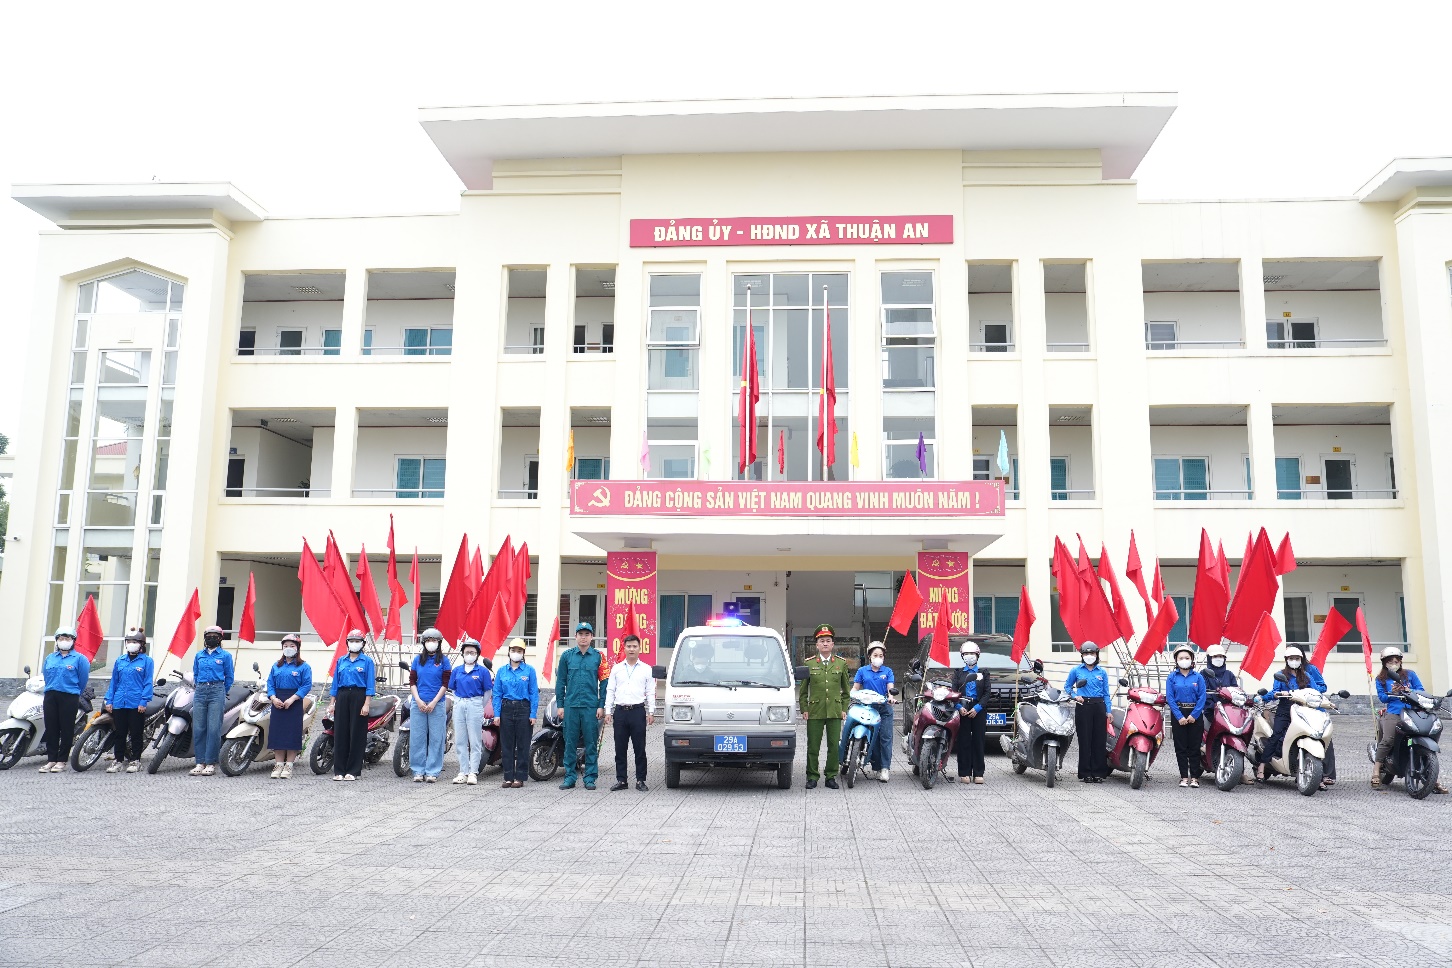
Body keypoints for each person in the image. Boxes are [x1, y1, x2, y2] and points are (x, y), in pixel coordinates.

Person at [1372, 646, 1448, 793]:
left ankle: (1432, 777)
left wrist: (1408, 690)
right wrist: (1392, 692)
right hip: (1394, 712)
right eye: (1390, 661)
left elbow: (1421, 690)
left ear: (1401, 661)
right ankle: (1376, 770)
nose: (1394, 663)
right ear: (1384, 663)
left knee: (1427, 734)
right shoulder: (1381, 679)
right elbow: (1382, 697)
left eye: (1396, 661)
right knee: (1388, 739)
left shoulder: (1410, 675)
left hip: (1413, 711)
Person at [1256, 646, 1327, 787]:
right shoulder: (1280, 675)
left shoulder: (1306, 676)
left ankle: (1316, 775)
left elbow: (1316, 691)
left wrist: (1325, 701)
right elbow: (1275, 691)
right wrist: (1268, 696)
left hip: (1303, 710)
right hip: (1285, 709)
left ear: (1301, 660)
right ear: (1286, 660)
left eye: (1297, 658)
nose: (1294, 661)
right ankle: (1262, 766)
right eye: (1291, 658)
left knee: (1311, 734)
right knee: (1276, 734)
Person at [798, 623, 851, 790]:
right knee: (813, 746)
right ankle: (812, 776)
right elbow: (803, 690)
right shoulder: (809, 664)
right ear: (817, 645)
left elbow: (846, 691)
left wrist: (844, 708)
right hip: (815, 711)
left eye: (828, 641)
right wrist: (804, 708)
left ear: (833, 644)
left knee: (834, 746)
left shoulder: (841, 664)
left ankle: (831, 776)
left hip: (835, 710)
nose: (825, 644)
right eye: (822, 641)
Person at [555, 622, 605, 790]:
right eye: (580, 634)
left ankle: (590, 777)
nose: (583, 637)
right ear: (575, 637)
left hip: (590, 707)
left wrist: (601, 705)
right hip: (571, 706)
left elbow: (604, 683)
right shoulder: (567, 656)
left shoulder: (598, 657)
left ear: (592, 637)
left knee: (591, 743)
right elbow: (561, 682)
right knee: (570, 742)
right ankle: (570, 777)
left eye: (587, 634)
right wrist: (560, 705)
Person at [605, 633, 655, 792]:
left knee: (639, 748)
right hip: (620, 712)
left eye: (634, 646)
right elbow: (610, 690)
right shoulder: (616, 669)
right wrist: (608, 711)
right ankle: (621, 780)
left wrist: (651, 711)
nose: (631, 649)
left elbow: (650, 692)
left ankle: (641, 780)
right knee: (620, 748)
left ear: (640, 648)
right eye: (629, 646)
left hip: (637, 712)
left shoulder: (646, 669)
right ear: (624, 648)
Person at [841, 641, 896, 782]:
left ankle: (885, 768)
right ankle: (876, 767)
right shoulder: (862, 671)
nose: (878, 658)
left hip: (884, 708)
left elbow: (890, 688)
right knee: (872, 738)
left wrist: (891, 697)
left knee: (885, 738)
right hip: (867, 708)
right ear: (870, 656)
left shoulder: (888, 671)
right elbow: (856, 687)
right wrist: (850, 694)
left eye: (881, 655)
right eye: (875, 655)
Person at [39, 627, 91, 773]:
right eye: (61, 638)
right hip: (50, 696)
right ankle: (51, 759)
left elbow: (82, 680)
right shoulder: (50, 658)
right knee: (51, 728)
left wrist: (73, 692)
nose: (64, 641)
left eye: (67, 638)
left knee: (66, 728)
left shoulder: (80, 659)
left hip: (69, 696)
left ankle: (61, 760)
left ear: (73, 640)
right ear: (57, 640)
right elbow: (46, 675)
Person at [103, 629, 154, 774]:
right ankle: (118, 760)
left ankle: (135, 760)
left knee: (136, 733)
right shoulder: (120, 660)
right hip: (119, 701)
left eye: (135, 642)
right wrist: (109, 700)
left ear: (141, 644)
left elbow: (148, 682)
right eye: (129, 641)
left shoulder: (147, 661)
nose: (131, 644)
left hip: (136, 703)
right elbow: (114, 682)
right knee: (119, 733)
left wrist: (143, 701)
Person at [328, 630, 375, 781]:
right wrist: (332, 704)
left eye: (357, 641)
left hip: (359, 696)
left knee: (357, 733)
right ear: (347, 643)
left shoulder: (367, 661)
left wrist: (366, 704)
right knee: (340, 733)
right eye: (351, 641)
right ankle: (339, 770)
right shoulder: (341, 660)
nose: (354, 643)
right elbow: (335, 684)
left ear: (362, 644)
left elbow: (370, 685)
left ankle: (353, 771)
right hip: (342, 696)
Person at [492, 637, 539, 788]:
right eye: (513, 650)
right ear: (509, 652)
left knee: (523, 744)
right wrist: (497, 714)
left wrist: (533, 714)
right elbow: (497, 693)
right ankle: (508, 777)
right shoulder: (502, 671)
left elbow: (534, 693)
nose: (516, 653)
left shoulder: (529, 670)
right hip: (506, 709)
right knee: (507, 744)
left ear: (523, 653)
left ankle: (520, 777)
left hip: (523, 709)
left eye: (519, 651)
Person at [189, 625, 234, 777]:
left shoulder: (225, 656)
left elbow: (229, 677)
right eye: (208, 636)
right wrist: (200, 687)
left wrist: (222, 690)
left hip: (217, 690)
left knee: (214, 728)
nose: (211, 638)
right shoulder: (199, 655)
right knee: (199, 728)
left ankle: (210, 762)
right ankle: (199, 762)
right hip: (200, 691)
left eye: (215, 636)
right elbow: (196, 674)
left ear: (220, 638)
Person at [408, 628, 452, 783]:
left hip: (437, 704)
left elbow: (445, 684)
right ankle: (418, 771)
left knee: (436, 738)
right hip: (418, 703)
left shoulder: (444, 661)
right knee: (417, 738)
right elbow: (412, 681)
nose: (431, 643)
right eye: (428, 641)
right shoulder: (417, 660)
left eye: (434, 641)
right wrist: (418, 700)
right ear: (423, 643)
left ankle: (432, 771)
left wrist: (434, 702)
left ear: (439, 643)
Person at [266, 633, 312, 779]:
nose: (288, 648)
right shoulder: (276, 665)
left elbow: (306, 685)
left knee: (292, 733)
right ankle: (279, 764)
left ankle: (289, 765)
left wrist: (292, 699)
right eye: (285, 646)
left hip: (294, 701)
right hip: (277, 700)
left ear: (298, 648)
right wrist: (273, 698)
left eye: (292, 645)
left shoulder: (304, 666)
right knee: (277, 733)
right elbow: (270, 683)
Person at [1064, 641, 1111, 783]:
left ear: (1096, 654)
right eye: (1086, 653)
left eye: (1092, 653)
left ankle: (1098, 772)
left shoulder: (1102, 672)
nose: (1089, 656)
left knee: (1099, 740)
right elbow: (1067, 687)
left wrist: (1108, 711)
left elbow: (1106, 693)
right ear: (1082, 655)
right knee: (1085, 740)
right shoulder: (1076, 670)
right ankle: (1085, 773)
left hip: (1099, 706)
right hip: (1083, 706)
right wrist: (1074, 696)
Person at [450, 637, 493, 785]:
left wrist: (478, 705)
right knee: (460, 740)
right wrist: (459, 702)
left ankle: (473, 772)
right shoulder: (457, 670)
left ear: (477, 654)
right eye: (467, 652)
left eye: (473, 652)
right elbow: (453, 689)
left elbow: (487, 692)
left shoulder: (482, 671)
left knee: (475, 740)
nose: (469, 655)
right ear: (462, 653)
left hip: (475, 704)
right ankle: (463, 771)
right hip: (459, 704)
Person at [1165, 645, 1207, 788]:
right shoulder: (1172, 677)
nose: (1184, 660)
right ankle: (1184, 777)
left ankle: (1194, 777)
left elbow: (1202, 697)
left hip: (1195, 714)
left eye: (1187, 658)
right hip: (1179, 714)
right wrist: (1179, 716)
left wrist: (1194, 714)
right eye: (1181, 658)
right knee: (1181, 747)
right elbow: (1170, 698)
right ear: (1176, 660)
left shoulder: (1198, 677)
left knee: (1194, 747)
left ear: (1192, 659)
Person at [952, 641, 991, 785]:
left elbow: (987, 693)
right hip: (962, 707)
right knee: (964, 741)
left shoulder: (984, 673)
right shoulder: (958, 673)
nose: (969, 656)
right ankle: (964, 772)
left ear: (977, 655)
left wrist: (977, 708)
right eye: (966, 654)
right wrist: (958, 707)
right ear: (962, 656)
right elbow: (954, 692)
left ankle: (978, 772)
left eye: (972, 654)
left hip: (978, 708)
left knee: (978, 741)